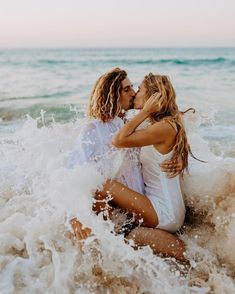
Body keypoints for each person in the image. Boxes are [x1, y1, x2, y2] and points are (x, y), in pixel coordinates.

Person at [70, 68, 186, 261]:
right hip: (138, 209)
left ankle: (111, 243)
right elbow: (75, 172)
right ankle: (101, 251)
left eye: (135, 88)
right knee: (100, 186)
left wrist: (180, 156)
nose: (133, 92)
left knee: (104, 186)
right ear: (112, 94)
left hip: (153, 210)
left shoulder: (137, 124)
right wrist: (75, 217)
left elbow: (168, 135)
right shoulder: (93, 129)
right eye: (127, 89)